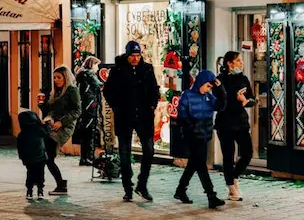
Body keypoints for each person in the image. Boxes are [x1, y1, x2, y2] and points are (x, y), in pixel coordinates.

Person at [103, 40, 161, 202]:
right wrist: (117, 107)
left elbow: (154, 90)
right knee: (124, 153)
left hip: (144, 116)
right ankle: (127, 187)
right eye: (132, 56)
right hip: (124, 117)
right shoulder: (118, 71)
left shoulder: (147, 69)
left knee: (149, 150)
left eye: (138, 55)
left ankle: (142, 184)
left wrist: (151, 106)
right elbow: (108, 91)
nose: (135, 59)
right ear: (127, 55)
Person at [174, 70, 227, 209]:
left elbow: (221, 105)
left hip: (204, 134)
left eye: (210, 87)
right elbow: (182, 116)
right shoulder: (187, 96)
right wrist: (190, 128)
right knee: (201, 165)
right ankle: (211, 195)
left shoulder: (208, 97)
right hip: (192, 135)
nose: (208, 89)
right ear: (200, 83)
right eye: (207, 86)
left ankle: (180, 190)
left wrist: (220, 88)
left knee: (194, 164)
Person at [215, 51, 255, 201]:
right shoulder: (220, 80)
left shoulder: (243, 79)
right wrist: (233, 98)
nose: (241, 63)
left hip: (241, 122)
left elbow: (251, 98)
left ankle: (235, 176)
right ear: (229, 64)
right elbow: (218, 101)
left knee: (247, 153)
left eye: (241, 60)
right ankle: (230, 186)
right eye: (238, 61)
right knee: (228, 155)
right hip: (225, 123)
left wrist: (245, 101)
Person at [39, 66, 80, 196]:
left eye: (59, 77)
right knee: (46, 156)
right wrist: (42, 106)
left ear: (65, 77)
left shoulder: (71, 90)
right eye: (55, 77)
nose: (56, 80)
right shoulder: (56, 92)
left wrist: (61, 122)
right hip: (51, 125)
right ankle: (60, 184)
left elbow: (77, 111)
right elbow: (50, 111)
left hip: (63, 127)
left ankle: (60, 185)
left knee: (48, 157)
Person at [73, 56, 103, 166]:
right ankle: (89, 158)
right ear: (92, 64)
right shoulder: (89, 74)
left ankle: (84, 157)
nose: (98, 68)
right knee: (90, 132)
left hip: (84, 106)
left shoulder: (81, 74)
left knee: (86, 133)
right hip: (90, 106)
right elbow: (99, 85)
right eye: (97, 65)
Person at [17, 110, 49, 200]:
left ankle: (29, 191)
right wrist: (44, 125)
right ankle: (40, 190)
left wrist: (22, 157)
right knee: (40, 173)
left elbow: (19, 147)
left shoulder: (22, 134)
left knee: (30, 173)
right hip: (40, 156)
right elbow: (47, 135)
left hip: (29, 158)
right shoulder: (39, 129)